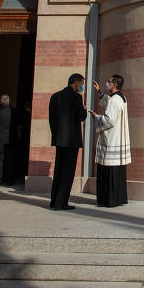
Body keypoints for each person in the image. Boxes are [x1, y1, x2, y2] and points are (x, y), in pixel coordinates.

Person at [48, 73, 87, 210]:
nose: (81, 87)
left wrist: (56, 134)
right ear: (76, 83)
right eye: (81, 84)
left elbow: (51, 118)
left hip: (59, 139)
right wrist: (85, 110)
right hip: (71, 140)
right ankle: (61, 203)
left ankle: (54, 201)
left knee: (58, 170)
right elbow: (80, 116)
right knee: (68, 172)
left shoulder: (55, 96)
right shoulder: (76, 97)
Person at [90, 74, 130, 207]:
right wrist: (100, 92)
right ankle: (118, 198)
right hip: (118, 139)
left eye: (109, 81)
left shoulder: (114, 100)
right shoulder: (120, 98)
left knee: (109, 170)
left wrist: (96, 117)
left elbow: (109, 120)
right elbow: (108, 102)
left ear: (114, 84)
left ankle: (109, 200)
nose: (107, 83)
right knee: (116, 172)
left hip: (112, 140)